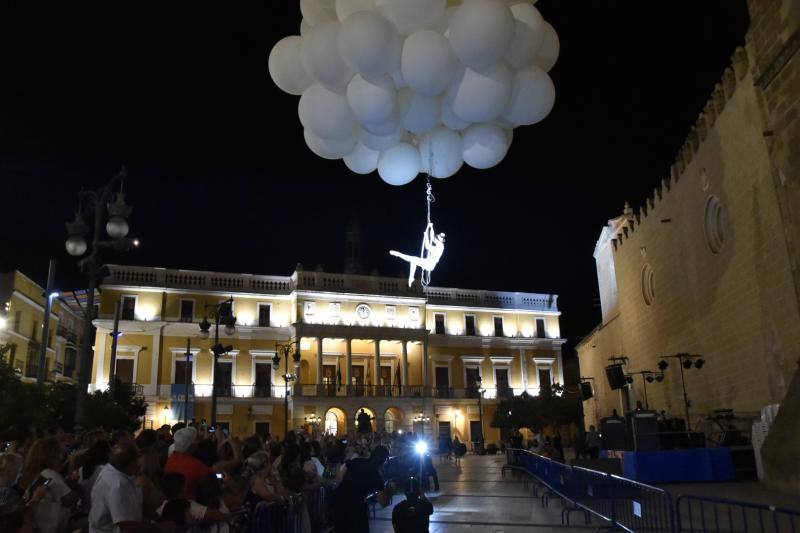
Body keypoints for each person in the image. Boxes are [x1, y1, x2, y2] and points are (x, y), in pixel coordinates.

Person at [89, 443, 151, 533]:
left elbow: (139, 503)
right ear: (132, 463)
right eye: (139, 457)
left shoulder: (123, 473)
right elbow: (126, 526)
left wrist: (160, 519)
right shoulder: (117, 485)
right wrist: (157, 528)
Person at [21, 437, 80, 532]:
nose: (61, 457)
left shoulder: (32, 473)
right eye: (58, 453)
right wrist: (77, 485)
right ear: (51, 455)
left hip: (37, 524)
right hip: (51, 527)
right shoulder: (49, 474)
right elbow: (70, 499)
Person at [333, 445, 389, 533]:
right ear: (384, 461)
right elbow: (383, 503)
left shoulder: (357, 461)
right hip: (356, 507)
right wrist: (389, 490)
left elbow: (339, 477)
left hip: (340, 502)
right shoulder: (376, 476)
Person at [165, 427, 213, 499]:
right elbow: (212, 472)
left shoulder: (171, 458)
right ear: (193, 445)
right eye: (197, 438)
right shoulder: (194, 465)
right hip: (188, 504)